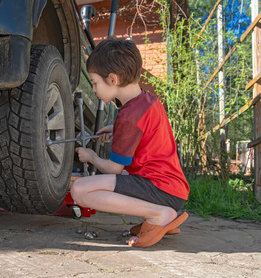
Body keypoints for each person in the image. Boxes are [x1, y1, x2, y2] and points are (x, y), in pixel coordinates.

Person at [70, 37, 189, 248]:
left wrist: (92, 157)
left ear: (113, 79)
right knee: (108, 181)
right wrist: (118, 132)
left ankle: (158, 214)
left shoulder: (128, 118)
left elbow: (114, 169)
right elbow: (147, 134)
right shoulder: (149, 100)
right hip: (171, 188)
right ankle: (160, 214)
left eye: (95, 83)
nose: (95, 90)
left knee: (79, 190)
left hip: (160, 189)